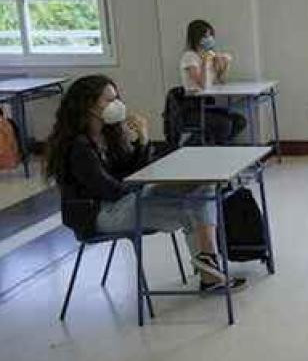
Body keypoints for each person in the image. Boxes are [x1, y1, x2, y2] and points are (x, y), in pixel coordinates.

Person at [46, 75, 244, 291]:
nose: (117, 105)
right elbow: (110, 190)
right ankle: (209, 270)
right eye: (108, 100)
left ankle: (208, 264)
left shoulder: (105, 134)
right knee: (193, 205)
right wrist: (147, 185)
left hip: (123, 201)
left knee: (203, 184)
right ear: (89, 105)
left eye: (116, 98)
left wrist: (143, 140)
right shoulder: (79, 147)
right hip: (101, 215)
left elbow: (132, 171)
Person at [180, 19, 246, 145]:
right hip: (193, 108)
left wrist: (224, 64)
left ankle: (213, 145)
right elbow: (203, 85)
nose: (209, 39)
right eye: (205, 36)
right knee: (224, 124)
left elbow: (221, 81)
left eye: (210, 35)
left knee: (239, 121)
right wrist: (205, 62)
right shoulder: (189, 57)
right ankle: (210, 148)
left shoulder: (208, 55)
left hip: (208, 104)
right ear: (196, 38)